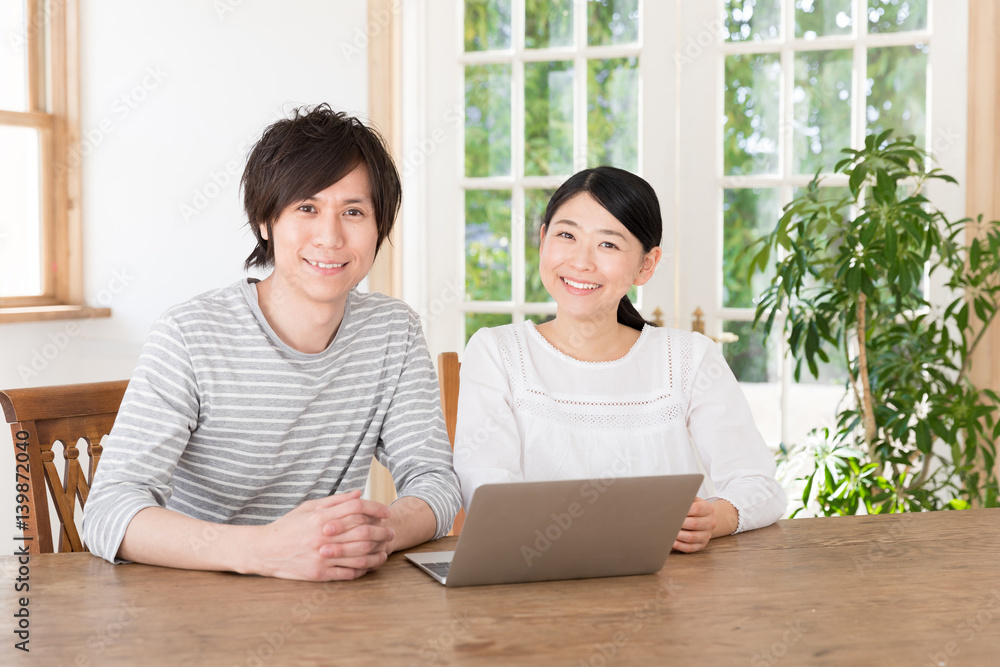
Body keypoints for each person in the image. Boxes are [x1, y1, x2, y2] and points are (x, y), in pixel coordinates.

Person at [83, 105, 461, 580]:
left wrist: (378, 531)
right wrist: (263, 550)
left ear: (379, 227)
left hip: (327, 599)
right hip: (194, 601)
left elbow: (435, 483)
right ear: (265, 222)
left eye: (354, 212)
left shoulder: (394, 332)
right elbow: (108, 511)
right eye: (307, 208)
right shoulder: (190, 335)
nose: (330, 236)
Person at [453, 166, 785, 553]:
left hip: (670, 591)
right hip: (538, 584)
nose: (581, 262)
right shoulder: (498, 352)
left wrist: (716, 517)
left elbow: (760, 486)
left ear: (646, 264)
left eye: (608, 244)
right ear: (543, 240)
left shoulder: (689, 358)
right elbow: (488, 497)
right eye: (566, 235)